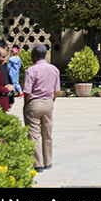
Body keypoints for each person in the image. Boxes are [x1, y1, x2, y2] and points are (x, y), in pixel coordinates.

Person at [23, 44, 60, 173]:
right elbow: (56, 90)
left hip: (34, 103)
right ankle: (48, 162)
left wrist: (26, 105)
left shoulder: (31, 70)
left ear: (34, 56)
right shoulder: (54, 69)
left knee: (34, 134)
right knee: (47, 133)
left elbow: (27, 91)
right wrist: (51, 101)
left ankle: (37, 164)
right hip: (49, 103)